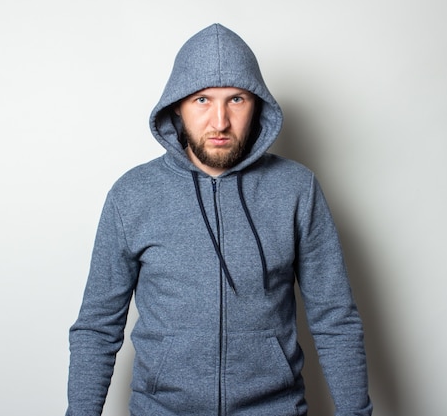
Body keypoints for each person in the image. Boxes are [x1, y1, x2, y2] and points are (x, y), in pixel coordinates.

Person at [66, 23, 373, 416]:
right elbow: (97, 327)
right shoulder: (133, 195)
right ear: (177, 105)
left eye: (237, 99)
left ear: (258, 104)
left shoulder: (297, 189)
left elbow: (335, 319)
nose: (220, 121)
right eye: (202, 100)